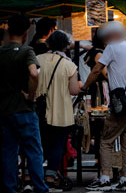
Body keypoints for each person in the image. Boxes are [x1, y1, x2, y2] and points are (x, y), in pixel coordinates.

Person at [84, 21, 126, 191]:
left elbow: (97, 70)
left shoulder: (112, 48)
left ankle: (105, 177)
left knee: (106, 140)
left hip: (121, 105)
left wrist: (83, 87)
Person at [0, 15, 48, 193]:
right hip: (25, 109)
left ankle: (9, 188)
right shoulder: (26, 51)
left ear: (8, 30)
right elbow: (34, 74)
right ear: (27, 32)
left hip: (5, 110)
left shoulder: (1, 52)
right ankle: (40, 188)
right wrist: (31, 94)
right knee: (33, 150)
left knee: (8, 152)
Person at [36, 30, 81, 189]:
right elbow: (74, 90)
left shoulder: (36, 60)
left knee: (38, 145)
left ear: (48, 44)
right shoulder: (69, 64)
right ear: (66, 46)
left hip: (39, 112)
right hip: (61, 113)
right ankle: (50, 177)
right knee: (57, 146)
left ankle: (30, 176)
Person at [84, 30, 107, 105]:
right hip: (100, 88)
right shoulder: (99, 54)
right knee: (100, 109)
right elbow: (106, 74)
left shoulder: (93, 50)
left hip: (95, 86)